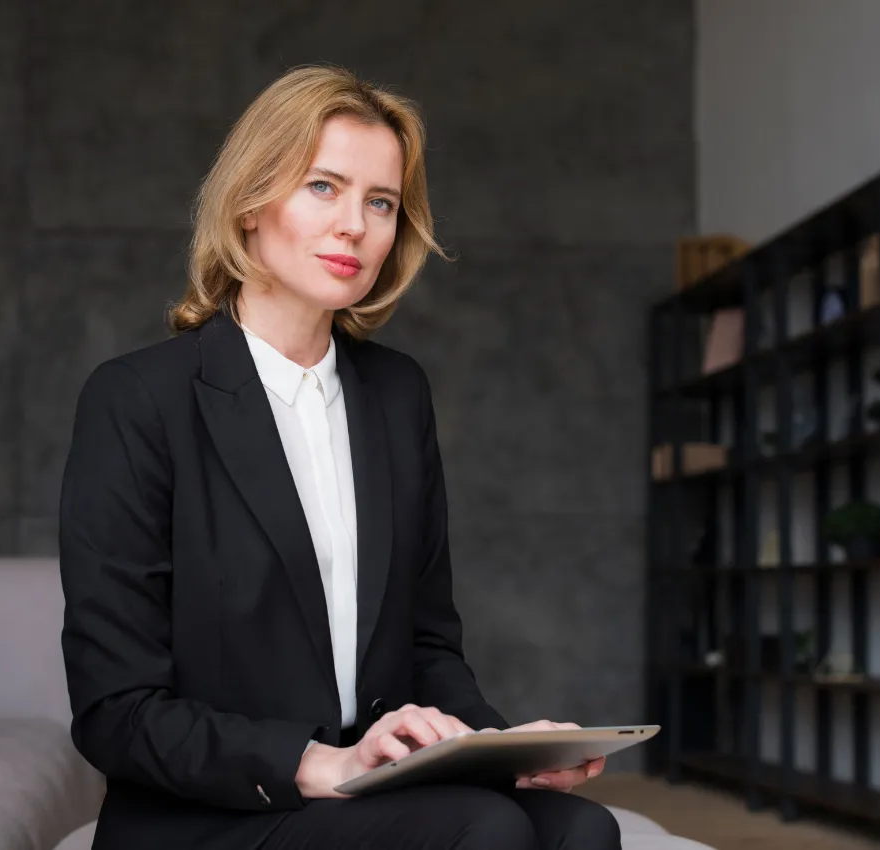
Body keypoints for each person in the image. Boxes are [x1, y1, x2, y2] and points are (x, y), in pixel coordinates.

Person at [59, 64, 622, 850]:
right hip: (208, 814)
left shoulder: (396, 395)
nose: (355, 224)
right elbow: (115, 711)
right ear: (252, 203)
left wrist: (502, 749)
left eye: (381, 202)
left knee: (582, 831)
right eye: (323, 187)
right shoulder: (136, 400)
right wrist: (312, 762)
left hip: (368, 790)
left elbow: (428, 646)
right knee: (484, 830)